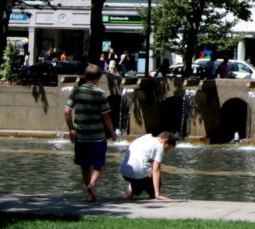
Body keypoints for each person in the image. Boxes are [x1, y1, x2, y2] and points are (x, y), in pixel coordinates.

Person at [64, 64, 116, 203]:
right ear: (98, 78)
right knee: (99, 165)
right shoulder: (100, 93)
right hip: (98, 136)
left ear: (85, 76)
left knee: (84, 165)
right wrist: (112, 132)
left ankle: (90, 194)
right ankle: (92, 184)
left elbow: (67, 111)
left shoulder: (76, 91)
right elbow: (106, 116)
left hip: (81, 136)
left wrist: (71, 129)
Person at [120, 131, 176, 200]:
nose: (166, 151)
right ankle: (154, 197)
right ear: (165, 141)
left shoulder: (145, 138)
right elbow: (156, 170)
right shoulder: (159, 146)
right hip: (138, 172)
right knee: (156, 178)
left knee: (139, 181)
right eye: (167, 148)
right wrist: (157, 194)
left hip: (124, 171)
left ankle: (128, 194)